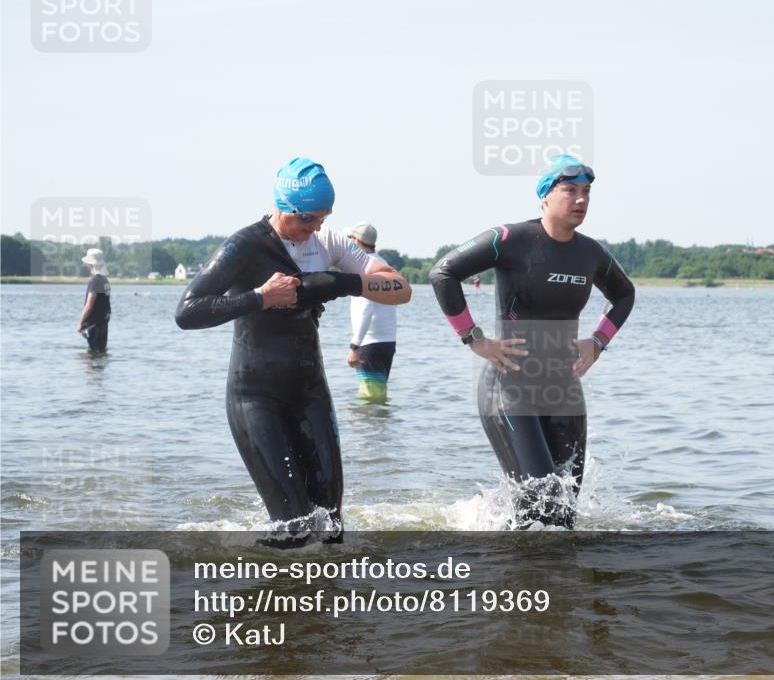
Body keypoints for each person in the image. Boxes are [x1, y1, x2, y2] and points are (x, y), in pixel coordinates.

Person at [175, 157, 411, 542]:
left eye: (323, 218)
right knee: (295, 528)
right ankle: (277, 597)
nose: (315, 227)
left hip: (309, 392)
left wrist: (339, 283)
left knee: (331, 527)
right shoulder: (243, 247)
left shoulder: (327, 241)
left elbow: (402, 290)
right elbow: (187, 312)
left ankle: (327, 598)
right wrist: (259, 298)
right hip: (255, 399)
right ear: (284, 208)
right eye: (308, 220)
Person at [429, 155, 635, 528]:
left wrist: (598, 341)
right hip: (510, 389)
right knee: (538, 510)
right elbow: (443, 273)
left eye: (586, 192)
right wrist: (474, 339)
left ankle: (550, 574)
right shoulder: (510, 240)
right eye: (569, 190)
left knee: (563, 516)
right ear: (544, 196)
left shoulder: (592, 253)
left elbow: (624, 295)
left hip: (564, 390)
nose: (581, 200)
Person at [344, 222, 398, 403]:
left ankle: (369, 432)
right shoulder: (382, 263)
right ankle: (381, 432)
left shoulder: (365, 268)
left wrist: (354, 346)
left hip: (370, 343)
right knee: (378, 398)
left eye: (350, 239)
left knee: (370, 402)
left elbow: (365, 309)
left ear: (357, 241)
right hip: (387, 342)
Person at [76, 248, 111, 352]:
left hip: (94, 325)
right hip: (103, 324)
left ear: (90, 264)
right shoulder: (105, 280)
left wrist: (80, 323)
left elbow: (89, 305)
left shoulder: (95, 281)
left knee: (92, 358)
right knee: (101, 353)